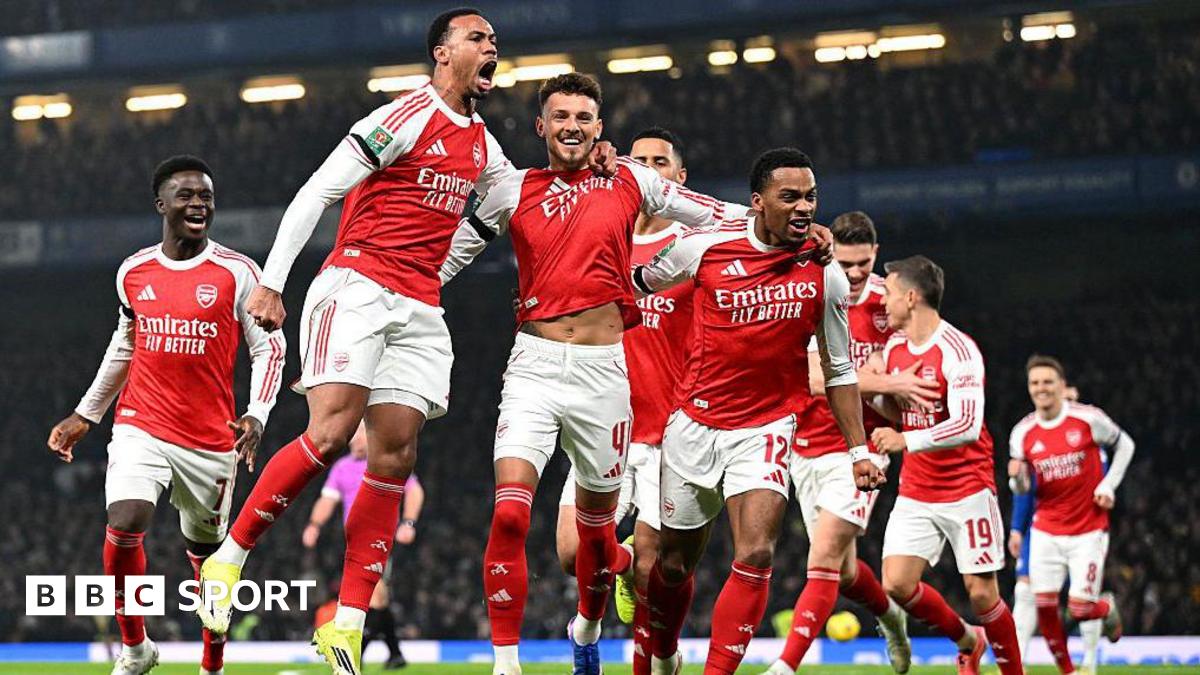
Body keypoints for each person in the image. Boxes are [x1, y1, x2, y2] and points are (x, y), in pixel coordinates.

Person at [194, 9, 614, 674]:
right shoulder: (404, 115)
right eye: (478, 38)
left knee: (394, 457)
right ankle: (229, 557)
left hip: (419, 304)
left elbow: (525, 198)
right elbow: (317, 191)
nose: (491, 48)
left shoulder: (482, 145)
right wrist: (271, 283)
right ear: (443, 54)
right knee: (332, 432)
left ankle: (349, 626)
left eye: (494, 40)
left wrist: (594, 165)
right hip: (356, 284)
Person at [439, 75, 810, 675]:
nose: (572, 127)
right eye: (560, 116)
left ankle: (644, 649)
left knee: (641, 559)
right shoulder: (513, 188)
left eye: (584, 117)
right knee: (514, 515)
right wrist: (406, 296)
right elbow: (453, 251)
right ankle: (510, 663)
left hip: (620, 391)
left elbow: (721, 214)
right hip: (533, 367)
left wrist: (785, 226)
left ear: (599, 128)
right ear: (541, 126)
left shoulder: (643, 197)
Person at [631, 147, 884, 675]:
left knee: (757, 554)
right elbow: (636, 288)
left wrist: (858, 448)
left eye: (810, 197)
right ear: (757, 202)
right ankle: (662, 653)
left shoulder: (825, 274)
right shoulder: (703, 249)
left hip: (767, 425)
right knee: (673, 566)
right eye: (788, 196)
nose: (803, 207)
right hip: (693, 425)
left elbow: (838, 369)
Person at [47, 155, 285, 675]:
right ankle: (136, 649)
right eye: (186, 195)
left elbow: (270, 349)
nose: (199, 204)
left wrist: (258, 413)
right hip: (142, 424)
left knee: (210, 564)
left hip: (210, 441)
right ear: (162, 204)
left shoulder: (238, 273)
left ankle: (212, 663)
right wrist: (86, 415)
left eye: (206, 196)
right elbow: (124, 347)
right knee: (124, 521)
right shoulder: (133, 272)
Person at [550, 126, 696, 675]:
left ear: (679, 180)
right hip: (602, 423)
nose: (649, 169)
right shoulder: (595, 237)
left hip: (669, 437)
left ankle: (656, 656)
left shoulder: (693, 249)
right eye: (639, 160)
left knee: (653, 577)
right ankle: (595, 608)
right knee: (571, 554)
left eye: (661, 161)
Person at [764, 212, 931, 674]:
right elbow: (817, 380)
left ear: (875, 255)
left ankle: (785, 666)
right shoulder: (815, 290)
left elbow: (917, 372)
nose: (856, 274)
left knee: (822, 557)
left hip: (861, 448)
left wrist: (895, 393)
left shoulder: (892, 304)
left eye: (864, 263)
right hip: (805, 446)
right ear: (831, 252)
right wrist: (884, 379)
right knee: (845, 572)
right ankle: (891, 618)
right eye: (847, 262)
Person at [868, 255, 1022, 675]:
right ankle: (968, 640)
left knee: (983, 595)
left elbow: (968, 424)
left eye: (890, 293)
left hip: (967, 487)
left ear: (912, 297)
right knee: (896, 584)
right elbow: (897, 410)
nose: (884, 301)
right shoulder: (895, 348)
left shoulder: (959, 350)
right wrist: (877, 392)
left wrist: (904, 440)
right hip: (918, 489)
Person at [1008, 356, 1132, 674]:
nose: (1041, 388)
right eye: (1035, 383)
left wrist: (1108, 485)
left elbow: (1126, 445)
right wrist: (1016, 478)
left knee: (1079, 607)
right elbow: (1023, 486)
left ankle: (1105, 610)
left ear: (1063, 387)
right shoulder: (1022, 433)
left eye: (1048, 382)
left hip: (1088, 528)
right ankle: (1069, 671)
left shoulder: (1088, 419)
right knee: (1044, 605)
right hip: (1046, 528)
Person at [303, 422, 426, 670]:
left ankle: (361, 649)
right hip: (353, 541)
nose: (354, 441)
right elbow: (327, 500)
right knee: (377, 599)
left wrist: (409, 523)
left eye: (359, 436)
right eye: (352, 437)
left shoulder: (384, 462)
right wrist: (314, 525)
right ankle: (393, 652)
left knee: (375, 593)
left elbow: (414, 491)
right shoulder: (342, 468)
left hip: (381, 538)